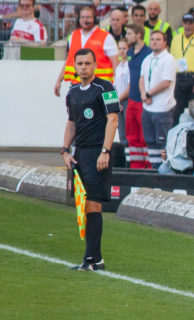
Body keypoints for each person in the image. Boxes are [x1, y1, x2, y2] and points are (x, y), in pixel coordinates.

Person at [60, 48, 119, 271]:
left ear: (95, 65)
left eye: (87, 63)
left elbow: (112, 120)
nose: (83, 67)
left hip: (97, 153)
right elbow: (71, 123)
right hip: (79, 153)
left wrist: (105, 151)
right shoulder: (72, 91)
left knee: (94, 204)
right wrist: (65, 150)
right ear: (74, 66)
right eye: (80, 63)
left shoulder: (106, 88)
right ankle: (96, 258)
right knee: (83, 206)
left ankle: (91, 259)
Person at [54, 6, 118, 97]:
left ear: (94, 19)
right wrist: (59, 80)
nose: (85, 20)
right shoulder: (73, 35)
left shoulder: (106, 37)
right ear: (78, 19)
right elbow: (69, 60)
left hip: (100, 87)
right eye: (83, 17)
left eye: (88, 17)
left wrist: (117, 85)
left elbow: (116, 63)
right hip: (77, 85)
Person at [139, 30, 176, 169]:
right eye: (152, 39)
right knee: (150, 141)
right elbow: (141, 78)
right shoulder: (147, 58)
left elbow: (166, 82)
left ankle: (165, 171)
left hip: (162, 108)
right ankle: (155, 170)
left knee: (163, 143)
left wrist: (148, 94)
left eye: (158, 39)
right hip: (147, 107)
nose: (154, 41)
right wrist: (143, 94)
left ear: (165, 42)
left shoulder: (168, 59)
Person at [125, 23, 152, 168]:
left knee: (144, 136)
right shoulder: (129, 53)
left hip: (143, 100)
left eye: (129, 34)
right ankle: (136, 165)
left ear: (138, 35)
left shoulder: (148, 53)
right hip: (132, 99)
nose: (127, 37)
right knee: (132, 135)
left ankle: (148, 164)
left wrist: (147, 94)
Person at [114, 38, 130, 147]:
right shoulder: (118, 66)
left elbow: (129, 87)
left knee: (129, 129)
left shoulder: (129, 65)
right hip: (119, 101)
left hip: (126, 100)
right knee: (121, 130)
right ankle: (125, 154)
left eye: (124, 48)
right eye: (119, 48)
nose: (122, 51)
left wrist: (118, 100)